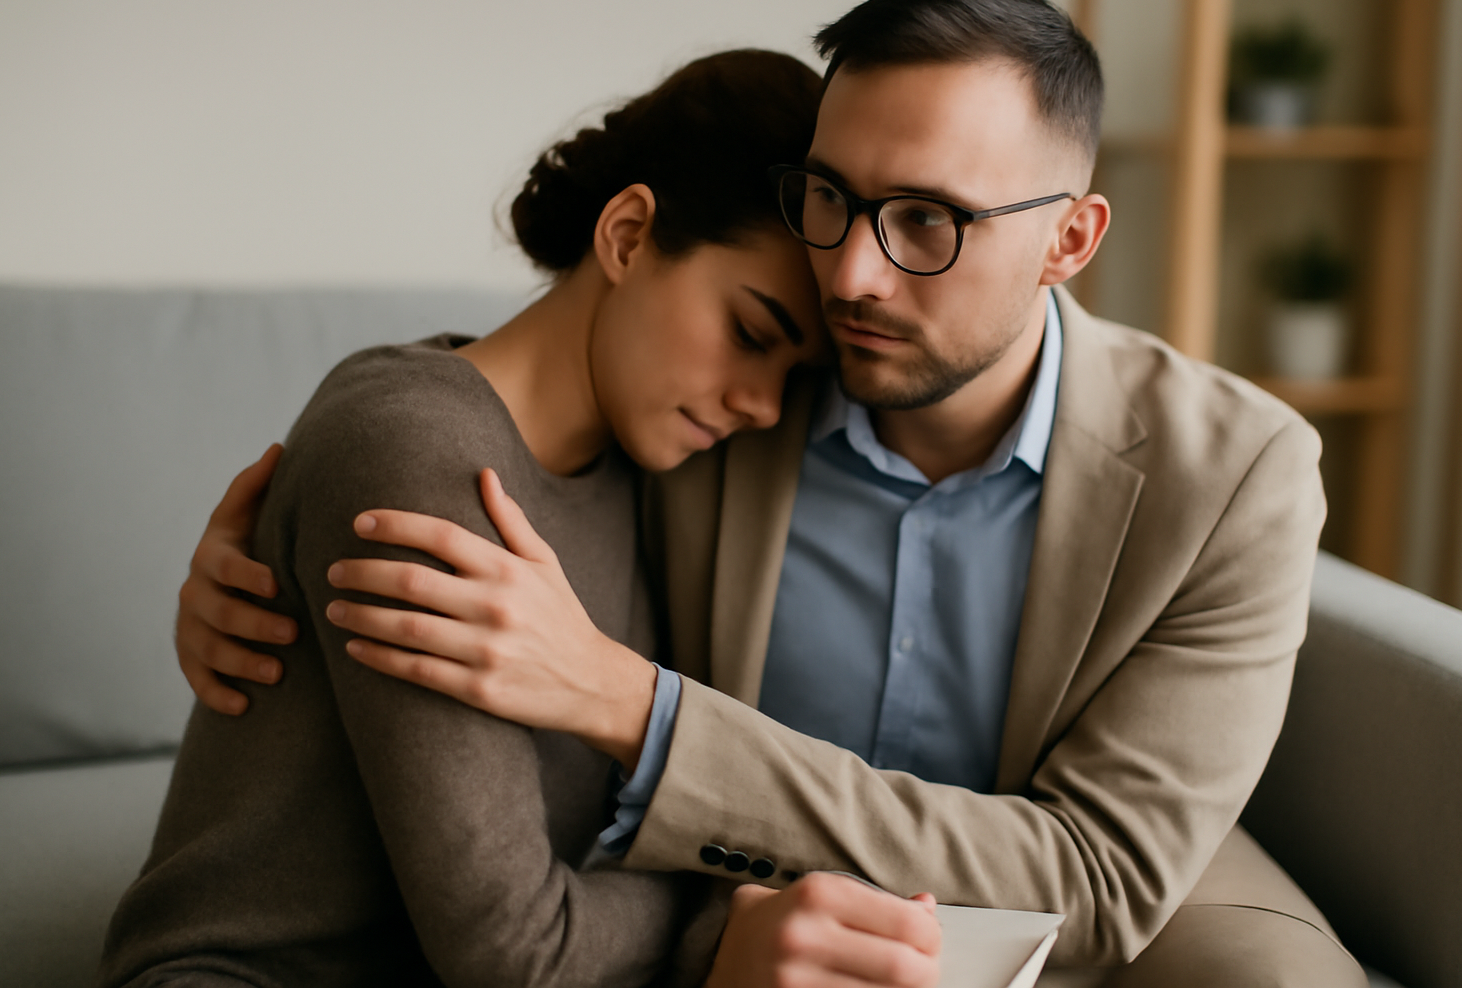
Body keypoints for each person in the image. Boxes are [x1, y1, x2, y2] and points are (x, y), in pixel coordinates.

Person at [177, 0, 1368, 988]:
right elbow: (509, 415)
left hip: (1001, 885)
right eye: (833, 197)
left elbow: (1102, 874)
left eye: (927, 220)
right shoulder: (749, 389)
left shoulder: (1238, 473)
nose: (849, 273)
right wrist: (284, 548)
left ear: (1068, 241)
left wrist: (636, 709)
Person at [98, 48, 945, 988]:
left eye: (796, 379)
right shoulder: (414, 447)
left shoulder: (659, 468)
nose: (761, 407)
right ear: (626, 235)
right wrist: (731, 907)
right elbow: (516, 954)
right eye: (751, 334)